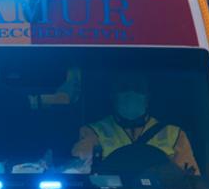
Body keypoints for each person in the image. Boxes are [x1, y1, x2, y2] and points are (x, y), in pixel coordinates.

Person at [71, 71, 200, 175]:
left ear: (147, 97)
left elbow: (190, 180)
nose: (131, 93)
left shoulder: (174, 133)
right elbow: (78, 171)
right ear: (113, 96)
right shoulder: (93, 131)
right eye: (124, 88)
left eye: (138, 88)